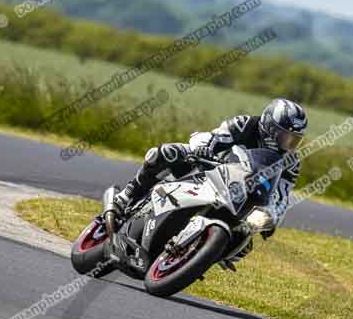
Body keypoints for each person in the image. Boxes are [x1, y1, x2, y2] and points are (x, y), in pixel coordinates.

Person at [111, 98, 308, 255]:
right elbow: (216, 135)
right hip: (211, 169)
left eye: (294, 140)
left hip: (242, 198)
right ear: (269, 126)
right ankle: (125, 197)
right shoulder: (246, 124)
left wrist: (270, 217)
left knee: (244, 240)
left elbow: (281, 197)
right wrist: (204, 148)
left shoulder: (291, 162)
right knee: (164, 153)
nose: (287, 144)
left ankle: (198, 254)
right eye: (284, 136)